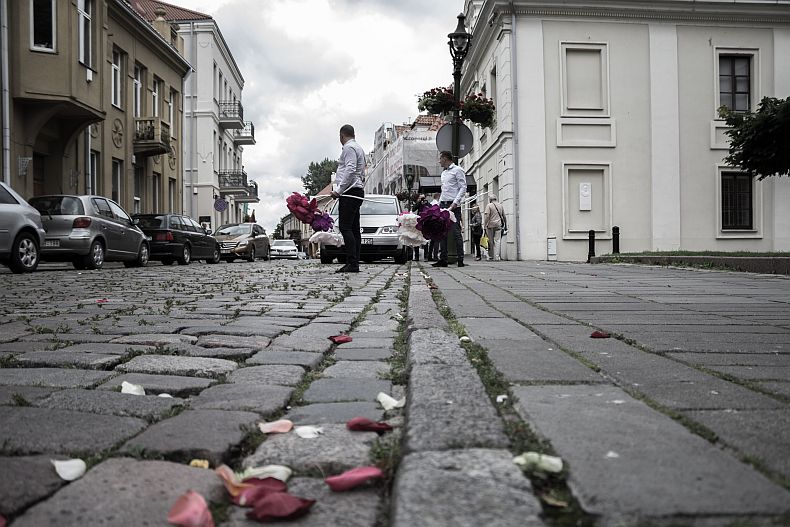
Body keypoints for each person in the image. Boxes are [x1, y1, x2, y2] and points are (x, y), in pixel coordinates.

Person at [331, 124, 366, 273]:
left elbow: (350, 169)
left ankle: (352, 262)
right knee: (354, 229)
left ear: (342, 136)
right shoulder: (358, 147)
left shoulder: (349, 148)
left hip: (350, 192)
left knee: (345, 227)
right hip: (356, 191)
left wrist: (339, 190)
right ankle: (354, 262)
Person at [433, 151, 467, 268]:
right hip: (443, 204)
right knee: (442, 232)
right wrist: (438, 204)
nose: (439, 161)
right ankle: (443, 259)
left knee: (456, 232)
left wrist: (455, 203)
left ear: (446, 158)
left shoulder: (458, 170)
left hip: (453, 206)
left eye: (440, 158)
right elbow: (444, 190)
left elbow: (463, 188)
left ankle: (460, 259)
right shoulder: (444, 173)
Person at [484, 195, 505, 261]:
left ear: (490, 200)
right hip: (498, 225)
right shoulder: (500, 205)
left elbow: (487, 216)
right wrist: (506, 225)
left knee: (491, 241)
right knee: (497, 241)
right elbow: (504, 216)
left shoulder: (489, 205)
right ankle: (497, 257)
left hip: (490, 225)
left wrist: (485, 225)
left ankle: (491, 256)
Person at [411, 194, 430, 261]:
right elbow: (413, 209)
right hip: (418, 222)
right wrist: (419, 202)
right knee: (416, 238)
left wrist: (425, 203)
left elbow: (429, 209)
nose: (422, 199)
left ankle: (426, 256)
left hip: (425, 222)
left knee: (425, 239)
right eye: (420, 198)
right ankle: (416, 256)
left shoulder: (427, 203)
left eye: (423, 198)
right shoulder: (418, 203)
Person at [427, 193, 440, 261]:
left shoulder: (431, 203)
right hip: (436, 223)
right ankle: (435, 256)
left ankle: (429, 255)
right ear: (438, 197)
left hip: (431, 223)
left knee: (432, 241)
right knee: (436, 240)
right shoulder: (438, 204)